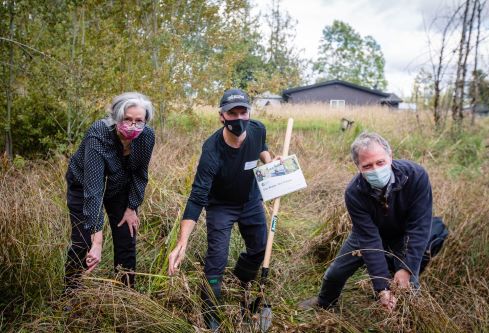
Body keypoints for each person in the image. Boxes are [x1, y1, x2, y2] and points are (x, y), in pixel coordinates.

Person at [300, 132, 447, 312]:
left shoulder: (416, 176)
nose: (376, 170)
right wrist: (382, 287)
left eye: (380, 162)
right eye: (367, 166)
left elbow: (419, 227)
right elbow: (369, 240)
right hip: (368, 232)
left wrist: (406, 269)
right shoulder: (354, 193)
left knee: (410, 286)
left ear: (390, 157)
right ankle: (324, 304)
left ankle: (408, 318)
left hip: (403, 235)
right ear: (358, 167)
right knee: (335, 274)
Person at [167, 88, 275, 330]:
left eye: (243, 112)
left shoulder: (257, 128)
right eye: (232, 113)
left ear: (249, 112)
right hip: (221, 207)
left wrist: (269, 162)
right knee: (215, 264)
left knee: (259, 249)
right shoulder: (212, 151)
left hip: (250, 201)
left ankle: (241, 283)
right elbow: (196, 198)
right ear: (222, 116)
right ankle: (211, 316)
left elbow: (262, 145)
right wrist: (182, 243)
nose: (238, 118)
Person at [64, 92, 155, 291]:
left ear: (145, 121)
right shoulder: (99, 133)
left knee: (127, 236)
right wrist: (97, 239)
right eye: (127, 119)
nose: (132, 126)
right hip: (84, 185)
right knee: (83, 241)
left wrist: (132, 207)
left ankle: (125, 294)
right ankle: (71, 294)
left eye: (139, 121)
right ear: (116, 117)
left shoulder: (146, 136)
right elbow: (94, 189)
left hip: (119, 185)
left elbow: (140, 172)